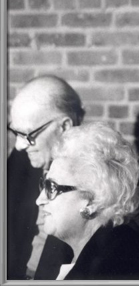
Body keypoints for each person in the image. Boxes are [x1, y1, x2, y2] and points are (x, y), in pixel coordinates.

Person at [34, 121, 139, 280]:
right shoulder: (78, 253)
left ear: (93, 202)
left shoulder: (113, 267)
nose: (39, 200)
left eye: (52, 187)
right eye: (44, 185)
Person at [7, 75, 85, 280]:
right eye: (15, 132)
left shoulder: (93, 180)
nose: (19, 145)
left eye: (27, 134)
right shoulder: (23, 159)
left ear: (65, 127)